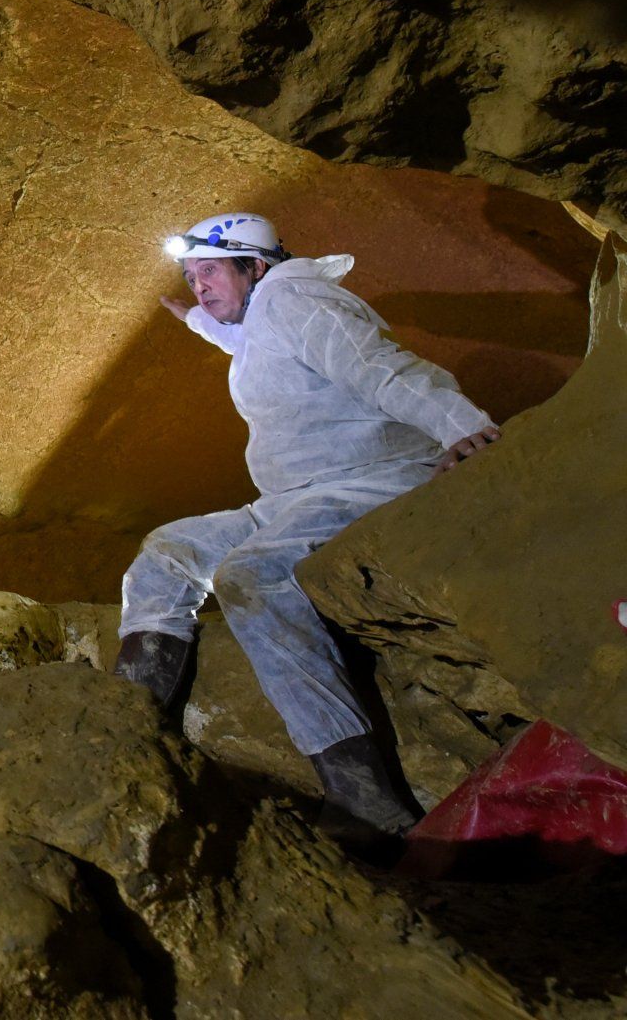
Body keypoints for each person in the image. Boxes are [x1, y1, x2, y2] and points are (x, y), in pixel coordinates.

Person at [117, 214, 499, 839]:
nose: (198, 285)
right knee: (168, 551)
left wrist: (461, 425)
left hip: (373, 477)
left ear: (255, 265)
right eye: (190, 276)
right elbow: (249, 342)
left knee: (252, 575)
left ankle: (363, 797)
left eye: (209, 270)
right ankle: (130, 722)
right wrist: (195, 319)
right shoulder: (262, 315)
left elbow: (373, 364)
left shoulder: (295, 296)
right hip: (297, 497)